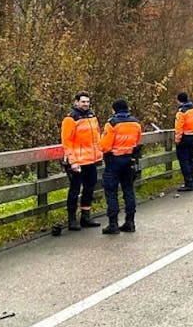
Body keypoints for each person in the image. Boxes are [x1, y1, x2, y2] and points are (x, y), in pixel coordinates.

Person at [55, 91, 103, 236]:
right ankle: (72, 219)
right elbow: (67, 143)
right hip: (78, 161)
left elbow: (97, 137)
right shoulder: (70, 119)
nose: (86, 104)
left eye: (87, 102)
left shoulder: (92, 117)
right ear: (76, 102)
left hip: (91, 160)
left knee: (89, 188)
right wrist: (73, 161)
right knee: (75, 190)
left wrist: (99, 154)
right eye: (83, 102)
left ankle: (85, 216)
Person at [100, 99, 142, 234]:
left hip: (114, 159)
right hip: (129, 159)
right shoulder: (135, 123)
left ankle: (113, 224)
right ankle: (130, 222)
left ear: (114, 109)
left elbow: (105, 146)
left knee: (111, 191)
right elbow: (137, 140)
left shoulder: (112, 123)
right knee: (128, 190)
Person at [174, 92, 193, 192]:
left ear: (179, 100)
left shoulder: (181, 112)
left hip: (184, 137)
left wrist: (177, 140)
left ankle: (188, 183)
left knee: (183, 161)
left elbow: (178, 127)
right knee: (190, 160)